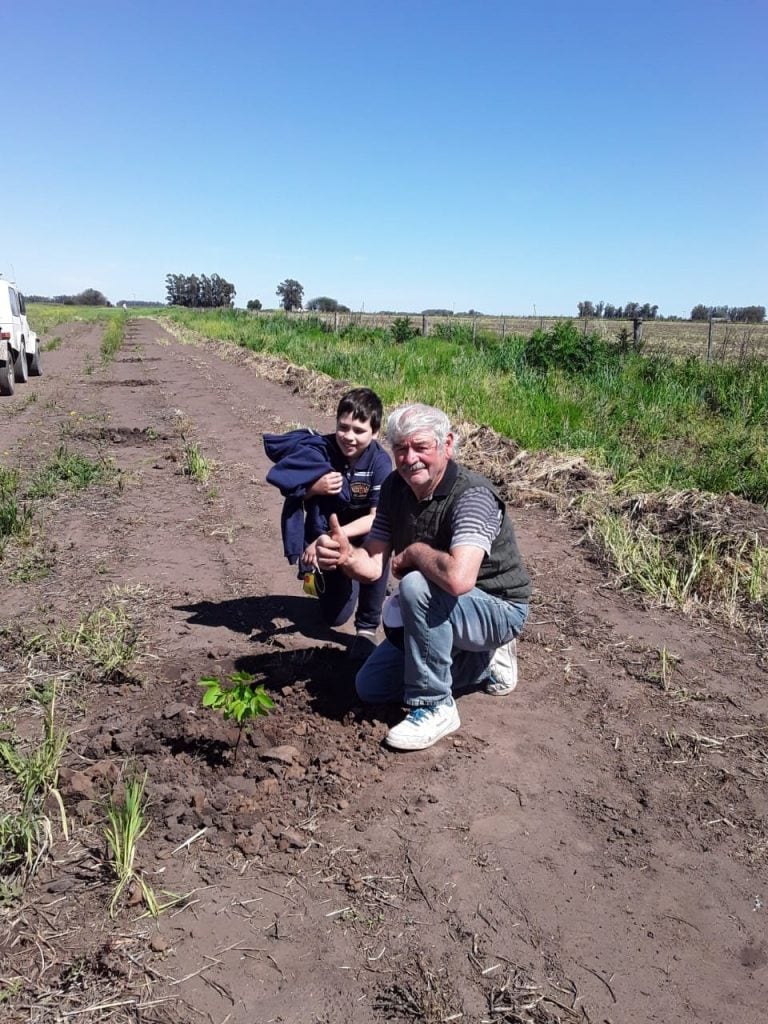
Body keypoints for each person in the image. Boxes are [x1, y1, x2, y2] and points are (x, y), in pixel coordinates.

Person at [316, 402, 531, 750]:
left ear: (447, 445)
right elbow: (372, 565)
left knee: (417, 585)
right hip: (449, 607)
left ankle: (434, 704)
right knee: (370, 686)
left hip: (497, 608)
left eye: (421, 447)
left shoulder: (472, 496)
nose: (409, 458)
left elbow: (460, 580)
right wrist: (346, 557)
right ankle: (482, 661)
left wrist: (415, 553)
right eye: (400, 449)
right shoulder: (394, 490)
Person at [263, 388, 392, 661]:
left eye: (359, 430)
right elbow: (290, 488)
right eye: (343, 427)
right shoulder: (321, 449)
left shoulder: (380, 462)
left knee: (382, 546)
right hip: (325, 533)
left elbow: (376, 517)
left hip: (362, 535)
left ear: (375, 432)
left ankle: (367, 627)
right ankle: (348, 580)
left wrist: (338, 536)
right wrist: (314, 488)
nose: (349, 437)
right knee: (333, 617)